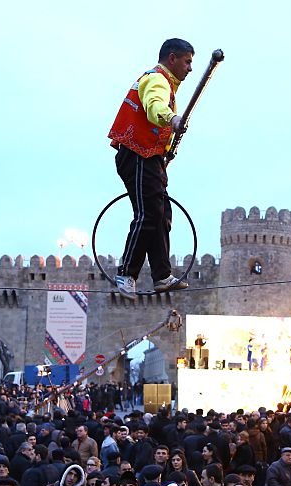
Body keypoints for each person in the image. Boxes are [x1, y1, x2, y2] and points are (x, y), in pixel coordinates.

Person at [106, 38, 195, 299]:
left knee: (161, 214)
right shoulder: (157, 80)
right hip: (138, 155)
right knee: (147, 214)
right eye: (187, 61)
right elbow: (155, 106)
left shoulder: (166, 84)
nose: (190, 68)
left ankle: (161, 275)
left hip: (148, 157)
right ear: (172, 58)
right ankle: (126, 273)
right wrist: (173, 118)